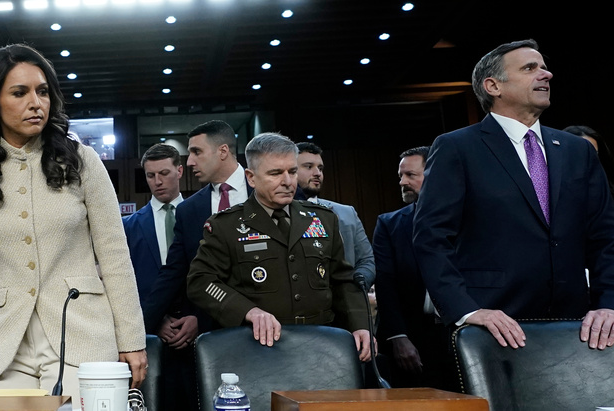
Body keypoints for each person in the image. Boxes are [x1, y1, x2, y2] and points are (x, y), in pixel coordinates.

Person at [0, 44, 146, 398]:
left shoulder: (84, 161)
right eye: (20, 93)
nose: (36, 102)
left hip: (82, 335)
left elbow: (114, 255)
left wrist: (132, 338)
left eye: (43, 91)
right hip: (0, 345)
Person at [414, 40, 614, 350]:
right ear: (493, 86)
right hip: (492, 326)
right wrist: (466, 309)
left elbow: (606, 235)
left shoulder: (578, 151)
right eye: (530, 68)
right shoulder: (458, 148)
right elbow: (431, 236)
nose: (545, 75)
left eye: (544, 67)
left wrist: (608, 302)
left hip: (577, 327)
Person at [187, 132, 371, 361]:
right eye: (275, 173)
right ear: (251, 178)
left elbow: (343, 280)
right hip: (257, 350)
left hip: (320, 347)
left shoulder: (322, 219)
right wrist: (248, 311)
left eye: (292, 172)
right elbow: (201, 281)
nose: (288, 182)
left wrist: (360, 325)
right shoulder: (227, 226)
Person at [141, 120, 249, 341]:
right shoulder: (189, 211)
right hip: (210, 335)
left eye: (196, 152)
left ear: (223, 151)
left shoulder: (266, 190)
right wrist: (137, 329)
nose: (189, 161)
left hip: (270, 327)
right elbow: (173, 274)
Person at [123, 144, 195, 411]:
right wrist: (154, 321)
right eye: (150, 175)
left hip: (197, 327)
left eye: (164, 173)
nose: (157, 181)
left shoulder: (202, 217)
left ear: (179, 170)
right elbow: (126, 283)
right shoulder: (129, 226)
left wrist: (198, 317)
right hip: (150, 333)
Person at [373, 147, 451, 389]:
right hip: (413, 337)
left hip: (460, 332)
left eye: (410, 175)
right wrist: (398, 337)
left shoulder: (466, 218)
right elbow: (385, 284)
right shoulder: (389, 224)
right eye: (400, 176)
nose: (402, 182)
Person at [294, 142, 375, 286]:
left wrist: (356, 285)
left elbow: (367, 260)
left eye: (320, 168)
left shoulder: (346, 213)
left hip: (345, 298)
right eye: (308, 166)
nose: (317, 173)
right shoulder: (280, 213)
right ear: (291, 170)